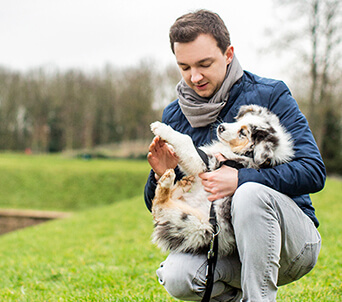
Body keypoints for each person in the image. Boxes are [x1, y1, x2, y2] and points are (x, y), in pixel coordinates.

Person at [144, 9, 325, 302]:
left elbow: (313, 171)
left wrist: (241, 178)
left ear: (228, 54)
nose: (195, 76)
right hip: (224, 247)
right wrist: (160, 175)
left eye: (204, 64)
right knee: (178, 277)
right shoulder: (173, 115)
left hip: (289, 244)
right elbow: (162, 209)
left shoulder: (271, 94)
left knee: (249, 193)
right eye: (185, 67)